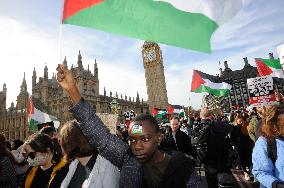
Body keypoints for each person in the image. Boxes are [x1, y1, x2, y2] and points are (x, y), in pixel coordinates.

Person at [56, 64, 197, 188]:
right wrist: (72, 89)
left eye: (145, 139)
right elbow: (97, 132)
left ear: (159, 137)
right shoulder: (128, 158)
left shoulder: (184, 168)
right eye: (133, 139)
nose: (137, 146)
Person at [59, 120, 120, 188]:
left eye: (62, 141)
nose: (60, 146)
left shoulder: (107, 165)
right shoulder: (73, 164)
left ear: (71, 143)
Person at [252, 105, 284, 188]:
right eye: (282, 124)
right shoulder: (265, 142)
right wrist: (276, 184)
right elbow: (261, 172)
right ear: (275, 124)